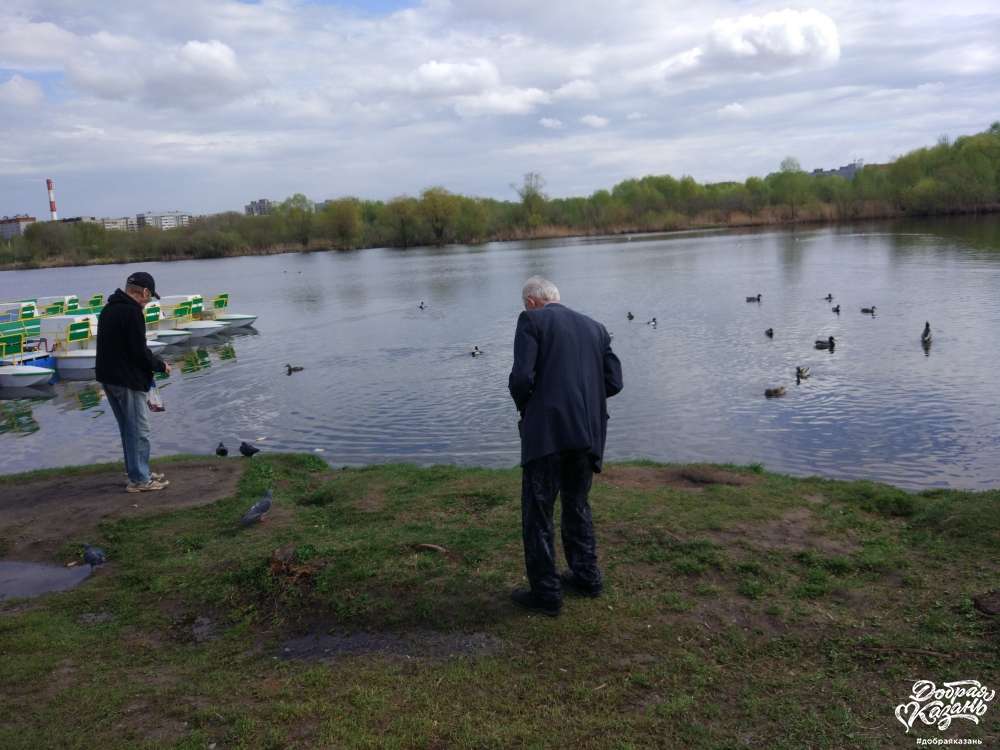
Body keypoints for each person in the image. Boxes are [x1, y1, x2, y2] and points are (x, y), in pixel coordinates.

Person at [508, 276, 623, 616]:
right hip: (587, 434)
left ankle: (546, 594)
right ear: (556, 297)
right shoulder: (596, 327)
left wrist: (529, 407)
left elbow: (521, 379)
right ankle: (587, 576)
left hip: (547, 435)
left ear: (531, 302)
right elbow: (614, 382)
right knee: (577, 505)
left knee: (538, 514)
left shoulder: (531, 321)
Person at [96, 271, 171, 493]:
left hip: (109, 378)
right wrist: (160, 365)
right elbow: (138, 352)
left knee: (128, 428)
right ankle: (140, 480)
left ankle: (138, 472)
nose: (148, 302)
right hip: (126, 379)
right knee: (139, 429)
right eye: (149, 296)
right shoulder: (132, 312)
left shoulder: (109, 308)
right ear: (144, 292)